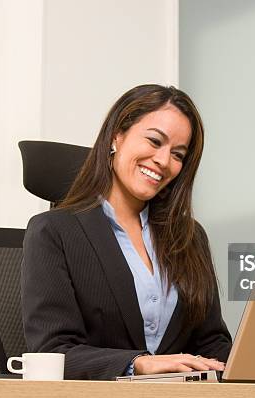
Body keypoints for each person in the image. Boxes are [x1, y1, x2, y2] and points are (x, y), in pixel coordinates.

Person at [21, 84, 232, 380]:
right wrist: (139, 363)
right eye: (154, 141)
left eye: (178, 154)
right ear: (117, 135)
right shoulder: (53, 232)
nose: (163, 160)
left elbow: (211, 342)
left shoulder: (189, 236)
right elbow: (52, 351)